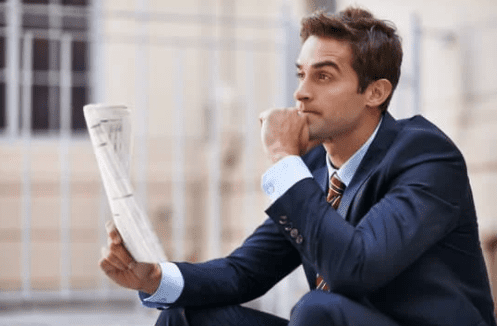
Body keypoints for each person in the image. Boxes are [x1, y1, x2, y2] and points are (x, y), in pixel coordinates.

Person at [99, 7, 497, 326]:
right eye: (301, 74)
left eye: (323, 76)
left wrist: (283, 160)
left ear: (375, 92)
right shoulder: (314, 168)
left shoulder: (425, 156)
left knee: (315, 310)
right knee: (183, 315)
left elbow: (354, 269)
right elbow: (244, 273)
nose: (301, 93)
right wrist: (154, 277)